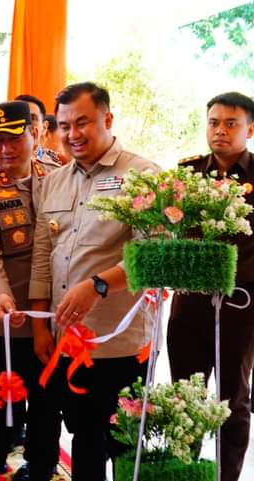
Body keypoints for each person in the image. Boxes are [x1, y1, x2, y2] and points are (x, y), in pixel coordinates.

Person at [29, 82, 158, 481]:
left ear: (108, 119)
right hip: (66, 339)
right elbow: (42, 256)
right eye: (64, 125)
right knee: (84, 437)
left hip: (118, 342)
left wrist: (99, 285)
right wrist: (40, 326)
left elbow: (152, 255)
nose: (73, 134)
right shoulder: (54, 181)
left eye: (82, 122)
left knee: (123, 445)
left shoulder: (142, 176)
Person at [0, 101, 61, 481]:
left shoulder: (58, 177)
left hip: (50, 318)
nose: (5, 149)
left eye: (14, 139)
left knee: (47, 400)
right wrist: (0, 296)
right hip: (1, 321)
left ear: (33, 134)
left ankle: (41, 466)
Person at [167, 91, 254, 481]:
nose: (220, 130)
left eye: (231, 123)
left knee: (232, 397)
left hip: (241, 303)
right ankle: (185, 470)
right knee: (184, 395)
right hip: (190, 302)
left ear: (249, 130)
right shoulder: (187, 173)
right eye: (214, 122)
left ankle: (226, 475)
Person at [15, 94, 61, 167]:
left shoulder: (54, 170)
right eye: (18, 119)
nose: (25, 125)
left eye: (32, 119)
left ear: (44, 127)